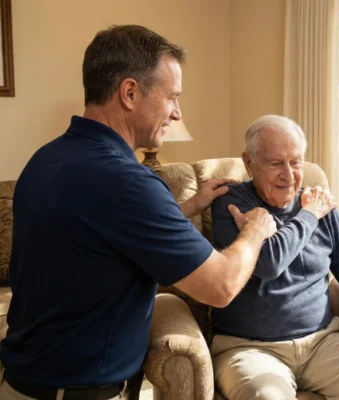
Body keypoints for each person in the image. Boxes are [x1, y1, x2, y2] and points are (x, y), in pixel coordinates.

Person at [0, 25, 276, 400]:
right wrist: (256, 230)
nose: (177, 113)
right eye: (172, 97)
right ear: (130, 92)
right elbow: (220, 286)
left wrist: (185, 208)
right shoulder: (127, 182)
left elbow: (99, 237)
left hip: (21, 382)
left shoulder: (46, 159)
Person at [210, 114, 339, 400]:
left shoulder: (319, 206)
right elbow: (268, 264)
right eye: (276, 163)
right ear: (248, 162)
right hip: (249, 347)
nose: (289, 175)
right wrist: (309, 214)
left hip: (321, 342)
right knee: (265, 396)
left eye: (296, 162)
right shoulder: (232, 202)